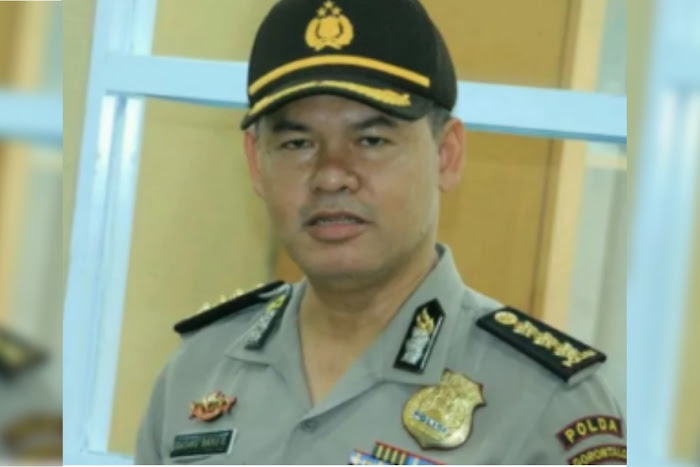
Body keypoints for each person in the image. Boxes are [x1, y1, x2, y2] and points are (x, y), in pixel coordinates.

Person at [135, 0, 626, 464]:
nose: (331, 175)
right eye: (297, 143)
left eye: (371, 140)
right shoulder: (197, 372)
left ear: (446, 155)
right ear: (255, 163)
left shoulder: (546, 405)